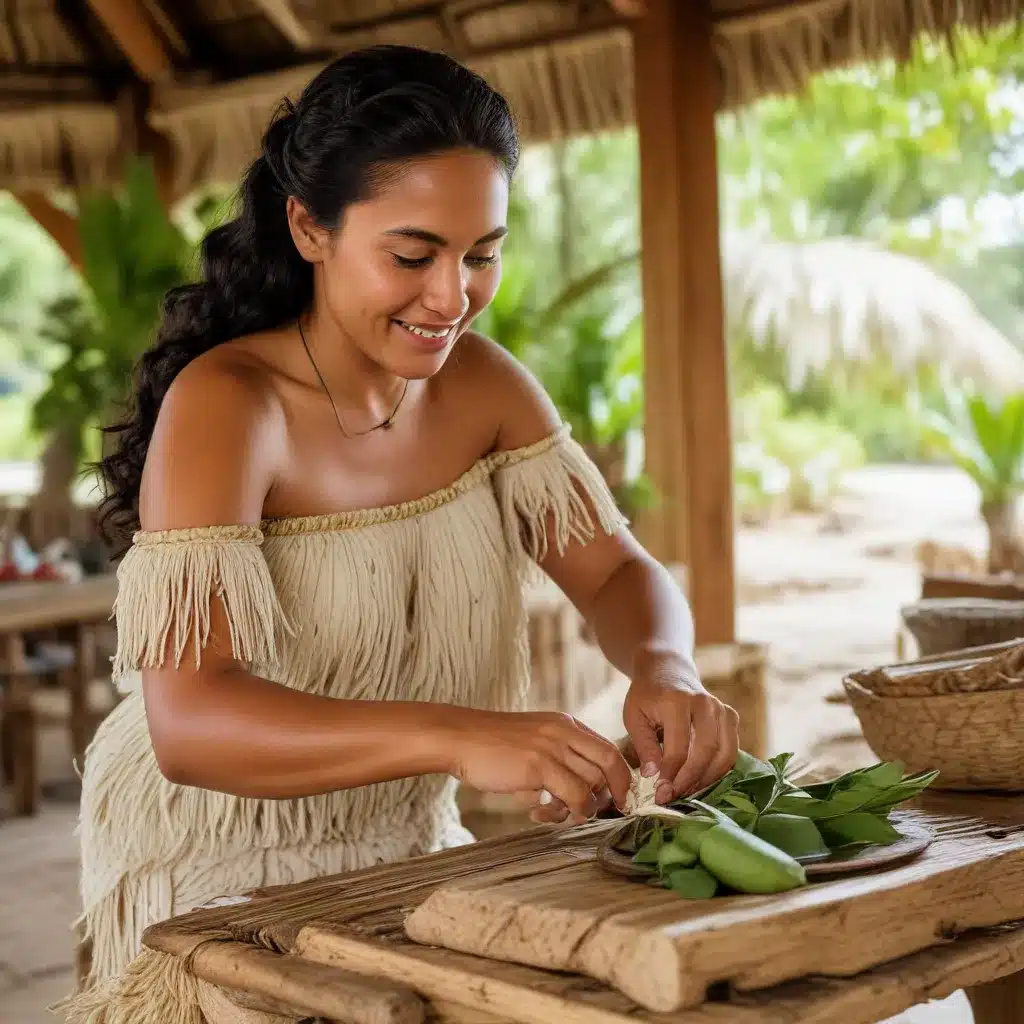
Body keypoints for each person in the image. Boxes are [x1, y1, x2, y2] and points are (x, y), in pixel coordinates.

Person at [60, 44, 739, 1024]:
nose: (451, 295)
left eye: (483, 252)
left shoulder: (486, 385)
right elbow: (190, 723)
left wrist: (664, 664)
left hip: (409, 836)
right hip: (212, 857)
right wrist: (461, 734)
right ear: (309, 228)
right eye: (412, 255)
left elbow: (613, 570)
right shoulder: (231, 403)